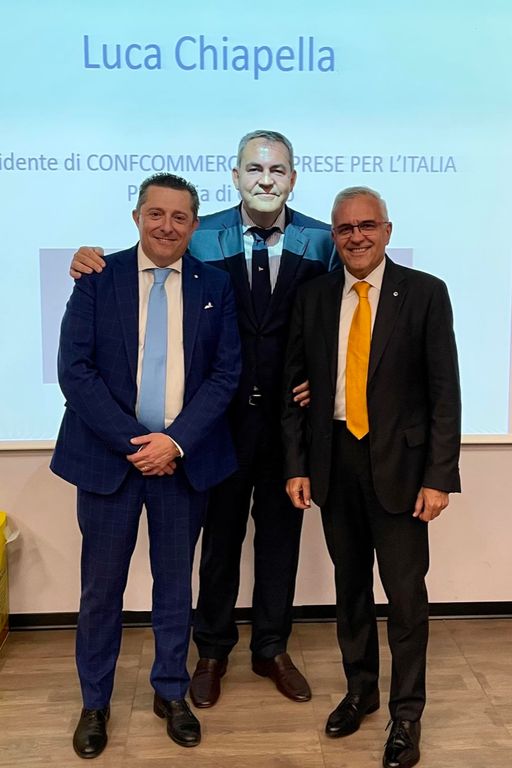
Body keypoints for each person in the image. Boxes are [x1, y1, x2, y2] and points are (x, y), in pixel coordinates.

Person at [69, 129, 338, 709]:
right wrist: (88, 257)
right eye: (254, 169)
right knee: (217, 542)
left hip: (288, 422)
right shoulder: (201, 234)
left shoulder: (323, 240)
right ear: (235, 176)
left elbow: (340, 310)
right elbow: (146, 279)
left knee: (281, 539)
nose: (266, 179)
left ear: (293, 178)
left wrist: (331, 377)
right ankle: (211, 651)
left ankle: (271, 647)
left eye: (278, 170)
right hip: (215, 427)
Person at [51, 173, 241, 758]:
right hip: (110, 462)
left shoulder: (216, 285)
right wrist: (137, 443)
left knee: (175, 587)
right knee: (101, 590)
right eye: (156, 214)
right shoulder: (96, 278)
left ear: (195, 225)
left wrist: (174, 443)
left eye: (180, 217)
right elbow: (75, 371)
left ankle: (171, 692)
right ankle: (95, 702)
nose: (166, 226)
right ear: (137, 217)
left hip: (182, 464)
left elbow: (225, 374)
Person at [282, 186, 461, 768]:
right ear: (334, 237)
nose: (356, 236)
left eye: (367, 226)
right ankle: (361, 691)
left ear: (387, 230)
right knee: (350, 588)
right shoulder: (313, 297)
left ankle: (406, 716)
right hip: (334, 462)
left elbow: (444, 394)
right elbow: (294, 390)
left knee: (405, 597)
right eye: (345, 229)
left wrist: (439, 477)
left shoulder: (426, 293)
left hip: (402, 472)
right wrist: (297, 465)